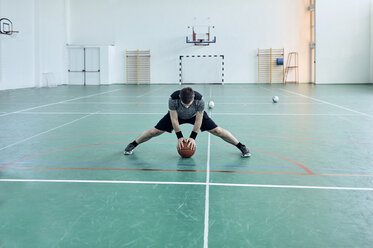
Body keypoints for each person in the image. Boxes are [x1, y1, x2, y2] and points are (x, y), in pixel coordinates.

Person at [124, 87, 251, 157]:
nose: (186, 106)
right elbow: (174, 119)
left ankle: (241, 146)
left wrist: (192, 138)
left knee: (217, 130)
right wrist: (179, 137)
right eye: (184, 104)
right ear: (180, 97)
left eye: (188, 104)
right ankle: (132, 144)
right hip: (176, 116)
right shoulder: (173, 98)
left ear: (193, 99)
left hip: (195, 116)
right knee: (154, 131)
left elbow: (199, 120)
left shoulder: (200, 100)